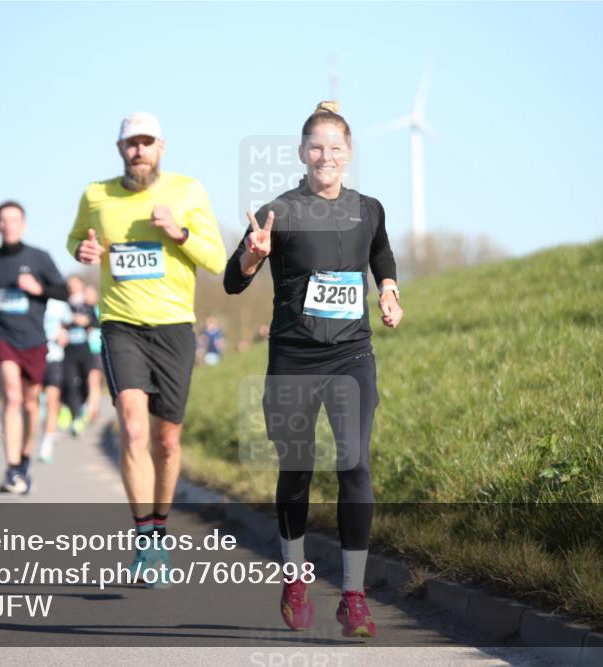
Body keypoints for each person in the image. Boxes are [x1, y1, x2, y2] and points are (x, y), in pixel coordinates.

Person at [224, 102, 403, 638]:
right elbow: (234, 281)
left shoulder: (368, 208)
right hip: (294, 358)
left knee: (353, 464)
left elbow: (382, 253)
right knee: (297, 469)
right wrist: (255, 256)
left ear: (349, 155)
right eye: (316, 148)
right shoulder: (281, 211)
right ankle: (296, 576)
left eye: (336, 148)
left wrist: (389, 291)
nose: (326, 156)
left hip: (351, 355)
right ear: (303, 153)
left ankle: (353, 596)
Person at [67, 111, 227, 586]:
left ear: (161, 147)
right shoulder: (96, 194)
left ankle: (160, 526)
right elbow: (77, 237)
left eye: (147, 142)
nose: (139, 150)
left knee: (167, 439)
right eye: (130, 143)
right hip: (121, 326)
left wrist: (179, 232)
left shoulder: (188, 191)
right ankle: (145, 540)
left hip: (176, 327)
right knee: (134, 428)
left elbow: (217, 259)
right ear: (120, 149)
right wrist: (82, 252)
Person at [0, 200, 69, 494]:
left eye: (14, 219)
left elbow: (63, 291)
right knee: (12, 396)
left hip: (34, 340)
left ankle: (25, 461)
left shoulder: (39, 258)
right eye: (3, 220)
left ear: (23, 225)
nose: (8, 225)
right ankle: (12, 466)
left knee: (30, 403)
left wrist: (38, 289)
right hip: (2, 336)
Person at [63, 275, 100, 436]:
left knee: (86, 382)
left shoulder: (87, 305)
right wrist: (70, 321)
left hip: (85, 349)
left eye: (75, 284)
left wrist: (86, 322)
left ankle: (84, 407)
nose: (72, 286)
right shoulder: (63, 304)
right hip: (68, 350)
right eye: (70, 284)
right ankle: (75, 417)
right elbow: (56, 322)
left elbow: (96, 323)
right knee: (71, 384)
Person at [39, 296, 72, 463]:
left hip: (55, 357)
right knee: (33, 401)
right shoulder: (34, 299)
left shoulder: (60, 304)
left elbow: (67, 325)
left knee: (52, 400)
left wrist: (64, 333)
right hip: (34, 357)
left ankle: (47, 444)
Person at [83, 285, 104, 424]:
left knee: (93, 381)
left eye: (89, 293)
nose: (86, 296)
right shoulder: (84, 309)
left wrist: (89, 324)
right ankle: (93, 409)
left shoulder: (100, 309)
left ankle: (91, 410)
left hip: (99, 350)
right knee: (91, 382)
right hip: (88, 350)